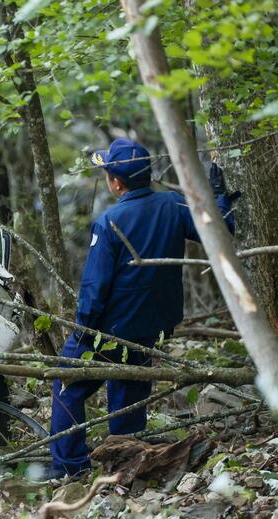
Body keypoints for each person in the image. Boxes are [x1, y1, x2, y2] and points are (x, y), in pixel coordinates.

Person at [47, 137, 237, 479]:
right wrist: (219, 199)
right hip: (151, 327)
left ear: (116, 183)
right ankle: (126, 464)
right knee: (130, 387)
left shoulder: (110, 222)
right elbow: (221, 231)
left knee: (66, 384)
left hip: (109, 330)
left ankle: (68, 468)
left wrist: (83, 330)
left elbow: (94, 288)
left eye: (107, 173)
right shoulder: (174, 205)